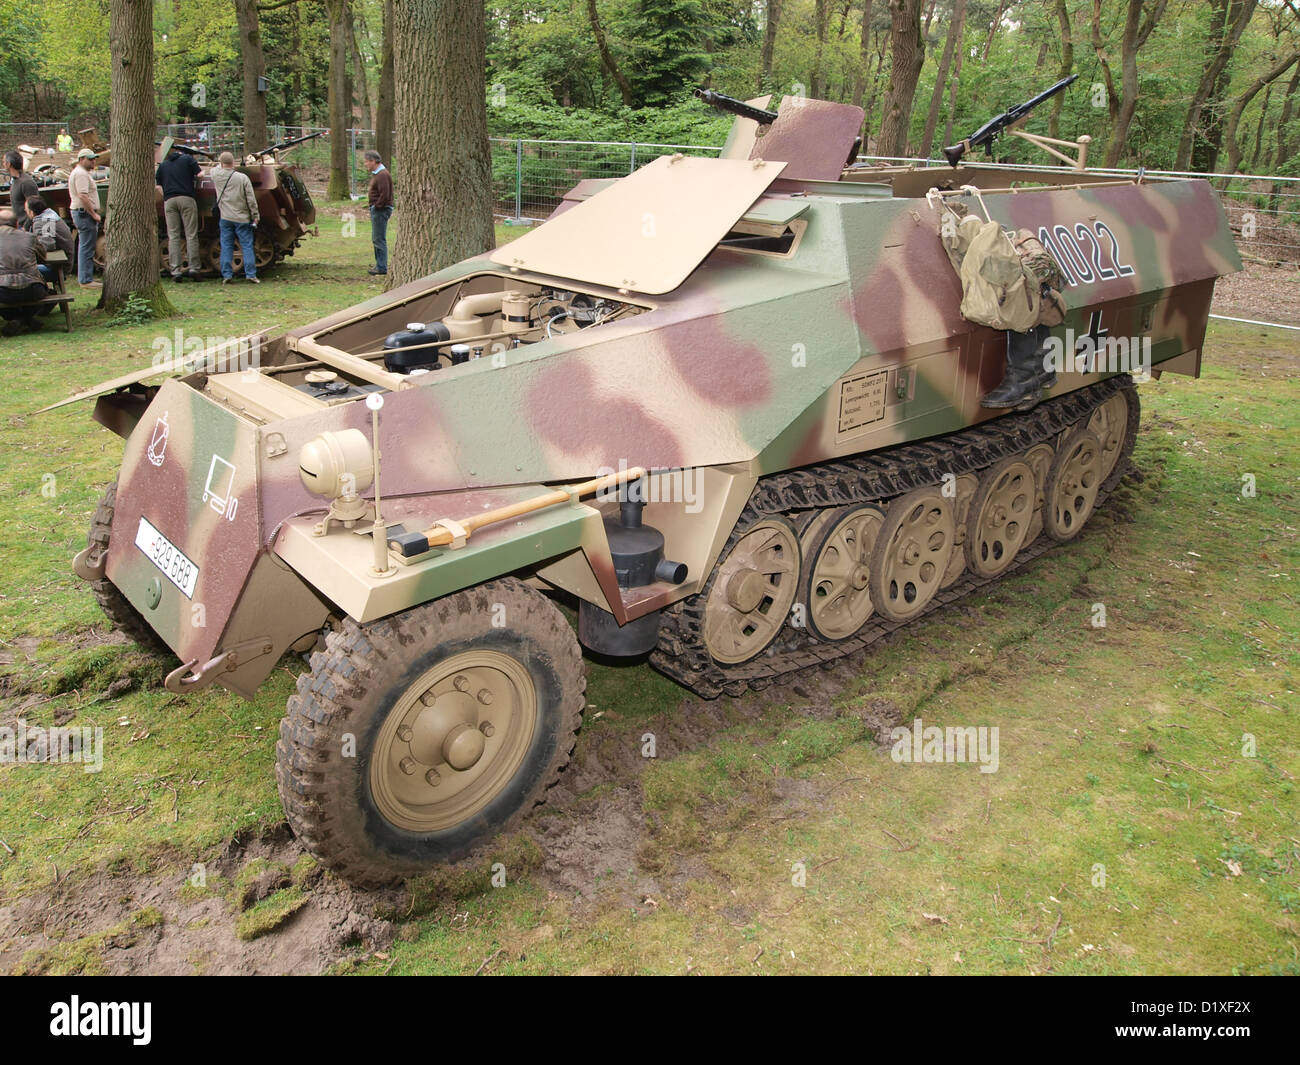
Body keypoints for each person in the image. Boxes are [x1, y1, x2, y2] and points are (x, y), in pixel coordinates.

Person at [211, 152, 260, 284]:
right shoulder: (242, 178)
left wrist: (219, 163)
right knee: (247, 246)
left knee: (226, 246)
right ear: (233, 162)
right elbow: (251, 199)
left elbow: (214, 168)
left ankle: (227, 275)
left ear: (221, 163)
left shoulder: (216, 174)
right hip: (242, 217)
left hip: (225, 217)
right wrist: (255, 215)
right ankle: (250, 274)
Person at [155, 146, 202, 281]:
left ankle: (175, 271)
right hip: (186, 198)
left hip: (169, 201)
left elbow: (158, 185)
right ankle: (194, 268)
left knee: (173, 236)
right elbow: (200, 175)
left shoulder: (163, 165)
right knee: (191, 234)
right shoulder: (187, 159)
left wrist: (166, 196)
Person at [0, 210, 49, 335]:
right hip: (32, 288)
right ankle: (25, 319)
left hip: (2, 290)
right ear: (17, 223)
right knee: (47, 292)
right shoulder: (30, 237)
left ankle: (17, 319)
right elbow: (44, 257)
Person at [68, 148, 101, 289]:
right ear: (82, 159)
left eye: (94, 158)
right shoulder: (81, 174)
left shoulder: (81, 173)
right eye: (90, 158)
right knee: (87, 247)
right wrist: (93, 214)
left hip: (82, 213)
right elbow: (83, 195)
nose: (93, 161)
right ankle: (86, 280)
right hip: (84, 213)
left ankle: (86, 278)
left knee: (86, 246)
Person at [25, 194, 74, 287]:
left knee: (19, 272)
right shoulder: (49, 216)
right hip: (60, 264)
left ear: (31, 212)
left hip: (57, 268)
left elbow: (47, 245)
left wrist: (27, 250)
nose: (25, 211)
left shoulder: (44, 221)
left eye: (26, 209)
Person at [362, 150, 393, 276]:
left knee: (378, 238)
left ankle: (381, 267)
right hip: (379, 209)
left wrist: (377, 206)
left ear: (373, 161)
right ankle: (379, 265)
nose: (365, 164)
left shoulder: (382, 175)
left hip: (381, 210)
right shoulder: (379, 174)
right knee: (376, 238)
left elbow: (385, 194)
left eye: (367, 161)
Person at [5, 151, 39, 231]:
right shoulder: (15, 181)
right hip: (20, 226)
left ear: (9, 164)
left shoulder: (26, 182)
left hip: (27, 228)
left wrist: (26, 227)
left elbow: (35, 207)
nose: (3, 164)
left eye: (4, 162)